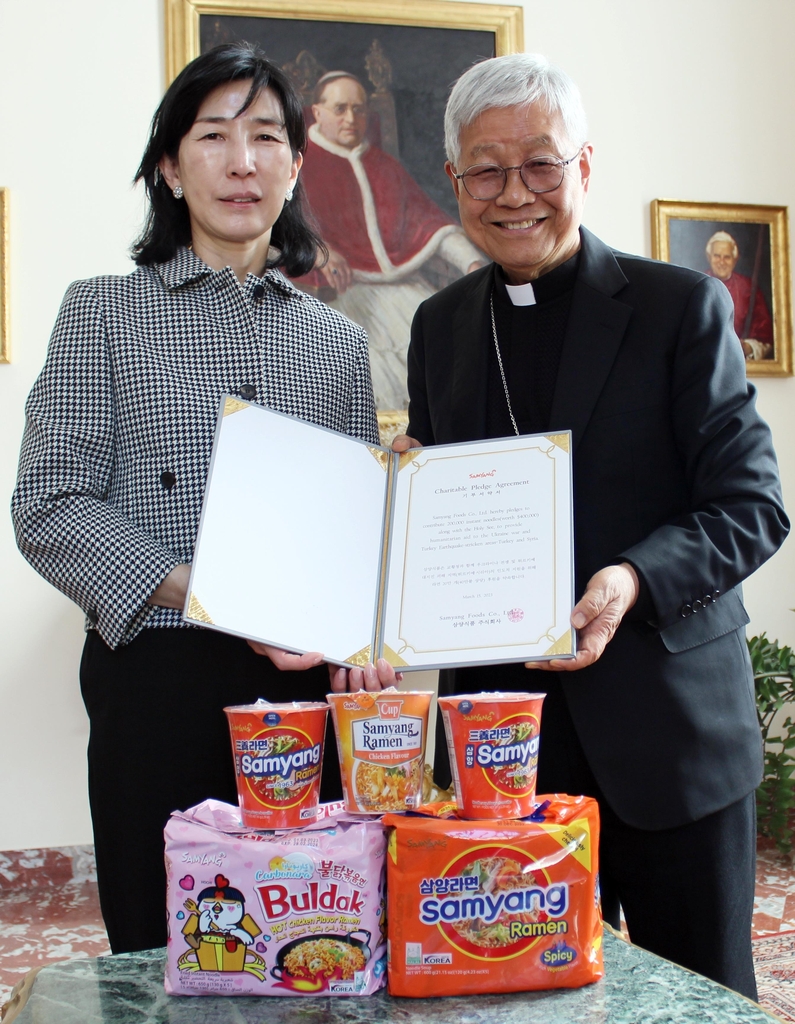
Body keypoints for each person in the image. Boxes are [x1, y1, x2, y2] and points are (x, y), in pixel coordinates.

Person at [394, 53, 789, 998]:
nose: (513, 194)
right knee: (519, 996)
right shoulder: (439, 325)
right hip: (505, 743)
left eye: (539, 163)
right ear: (454, 184)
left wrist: (629, 578)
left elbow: (751, 504)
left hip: (668, 729)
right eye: (484, 171)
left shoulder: (677, 306)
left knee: (697, 998)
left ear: (583, 167)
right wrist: (408, 503)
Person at [11, 43, 397, 956]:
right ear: (168, 168)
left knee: (313, 939)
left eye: (267, 137)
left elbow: (346, 534)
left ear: (297, 167)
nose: (242, 161)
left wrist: (370, 625)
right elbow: (49, 505)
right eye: (214, 135)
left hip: (301, 697)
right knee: (170, 948)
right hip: (162, 680)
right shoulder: (103, 313)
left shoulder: (334, 344)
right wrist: (208, 588)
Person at [293, 71, 484, 410]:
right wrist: (319, 252)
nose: (351, 118)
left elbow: (430, 224)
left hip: (403, 287)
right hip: (341, 294)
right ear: (317, 112)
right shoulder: (298, 167)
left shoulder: (384, 166)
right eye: (340, 109)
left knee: (454, 360)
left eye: (360, 109)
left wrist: (471, 263)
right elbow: (276, 235)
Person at [706, 230, 774, 359]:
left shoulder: (749, 287)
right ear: (709, 257)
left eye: (727, 257)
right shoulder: (698, 284)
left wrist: (749, 347)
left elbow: (765, 336)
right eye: (716, 256)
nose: (721, 262)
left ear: (735, 260)